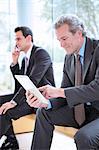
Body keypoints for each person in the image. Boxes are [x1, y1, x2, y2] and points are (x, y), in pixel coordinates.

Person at [26, 14, 99, 150]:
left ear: (78, 33)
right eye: (59, 40)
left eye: (64, 38)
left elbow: (97, 89)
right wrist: (46, 102)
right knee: (43, 113)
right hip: (82, 110)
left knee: (83, 137)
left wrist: (58, 91)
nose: (61, 45)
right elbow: (65, 92)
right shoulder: (69, 58)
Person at [0, 26, 55, 149]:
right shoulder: (25, 59)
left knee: (6, 111)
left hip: (40, 98)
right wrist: (15, 62)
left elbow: (33, 81)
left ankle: (12, 141)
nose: (16, 43)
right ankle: (11, 140)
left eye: (18, 39)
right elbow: (21, 84)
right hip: (28, 96)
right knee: (1, 101)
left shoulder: (41, 54)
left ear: (28, 38)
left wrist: (14, 102)